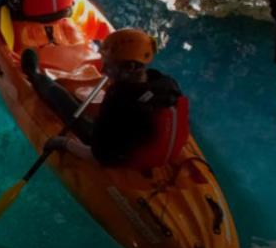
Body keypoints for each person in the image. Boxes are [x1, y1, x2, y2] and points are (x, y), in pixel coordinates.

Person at [24, 28, 190, 171]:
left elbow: (98, 156)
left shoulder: (118, 101)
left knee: (60, 97)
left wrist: (62, 143)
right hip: (145, 144)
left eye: (109, 65)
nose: (103, 70)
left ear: (130, 67)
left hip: (118, 155)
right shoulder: (166, 83)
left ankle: (33, 74)